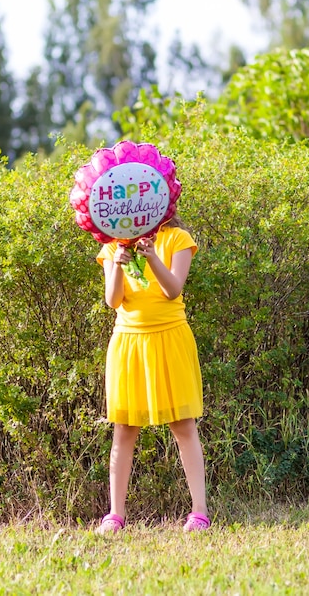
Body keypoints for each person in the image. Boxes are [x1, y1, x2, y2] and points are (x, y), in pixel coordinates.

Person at [95, 215, 209, 533]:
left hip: (170, 336)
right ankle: (115, 514)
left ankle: (199, 512)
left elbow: (173, 290)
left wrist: (152, 257)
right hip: (128, 341)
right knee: (124, 428)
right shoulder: (111, 246)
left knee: (183, 424)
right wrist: (118, 262)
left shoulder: (178, 239)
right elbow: (113, 300)